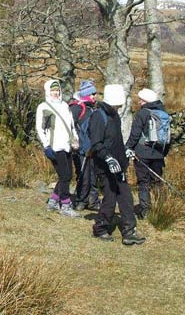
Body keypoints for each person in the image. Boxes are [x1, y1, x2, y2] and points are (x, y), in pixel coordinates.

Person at [90, 84, 145, 245]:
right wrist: (108, 158)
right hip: (104, 166)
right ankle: (100, 228)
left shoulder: (115, 116)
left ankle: (129, 232)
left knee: (126, 197)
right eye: (118, 104)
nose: (120, 107)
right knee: (110, 198)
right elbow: (96, 144)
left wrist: (125, 153)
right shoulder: (98, 116)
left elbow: (117, 142)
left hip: (119, 165)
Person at [35, 79, 80, 218]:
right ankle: (65, 204)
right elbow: (40, 128)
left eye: (57, 90)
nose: (55, 93)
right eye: (53, 90)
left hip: (67, 145)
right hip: (54, 146)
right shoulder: (43, 107)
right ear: (48, 92)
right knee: (65, 175)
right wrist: (46, 145)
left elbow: (71, 125)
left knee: (66, 175)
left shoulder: (65, 106)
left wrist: (75, 139)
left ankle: (54, 200)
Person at [125, 88, 171, 219]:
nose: (139, 102)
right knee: (157, 181)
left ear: (146, 100)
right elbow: (168, 138)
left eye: (141, 99)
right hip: (158, 153)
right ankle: (161, 208)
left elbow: (135, 135)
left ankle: (145, 210)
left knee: (143, 182)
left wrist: (128, 147)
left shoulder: (142, 114)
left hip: (142, 153)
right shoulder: (163, 113)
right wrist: (163, 153)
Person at [69, 80, 101, 211]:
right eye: (92, 93)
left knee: (93, 175)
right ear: (86, 94)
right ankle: (81, 200)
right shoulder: (77, 108)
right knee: (84, 175)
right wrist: (75, 143)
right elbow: (70, 126)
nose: (95, 96)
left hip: (93, 148)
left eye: (95, 93)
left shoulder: (92, 108)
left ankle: (92, 201)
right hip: (80, 149)